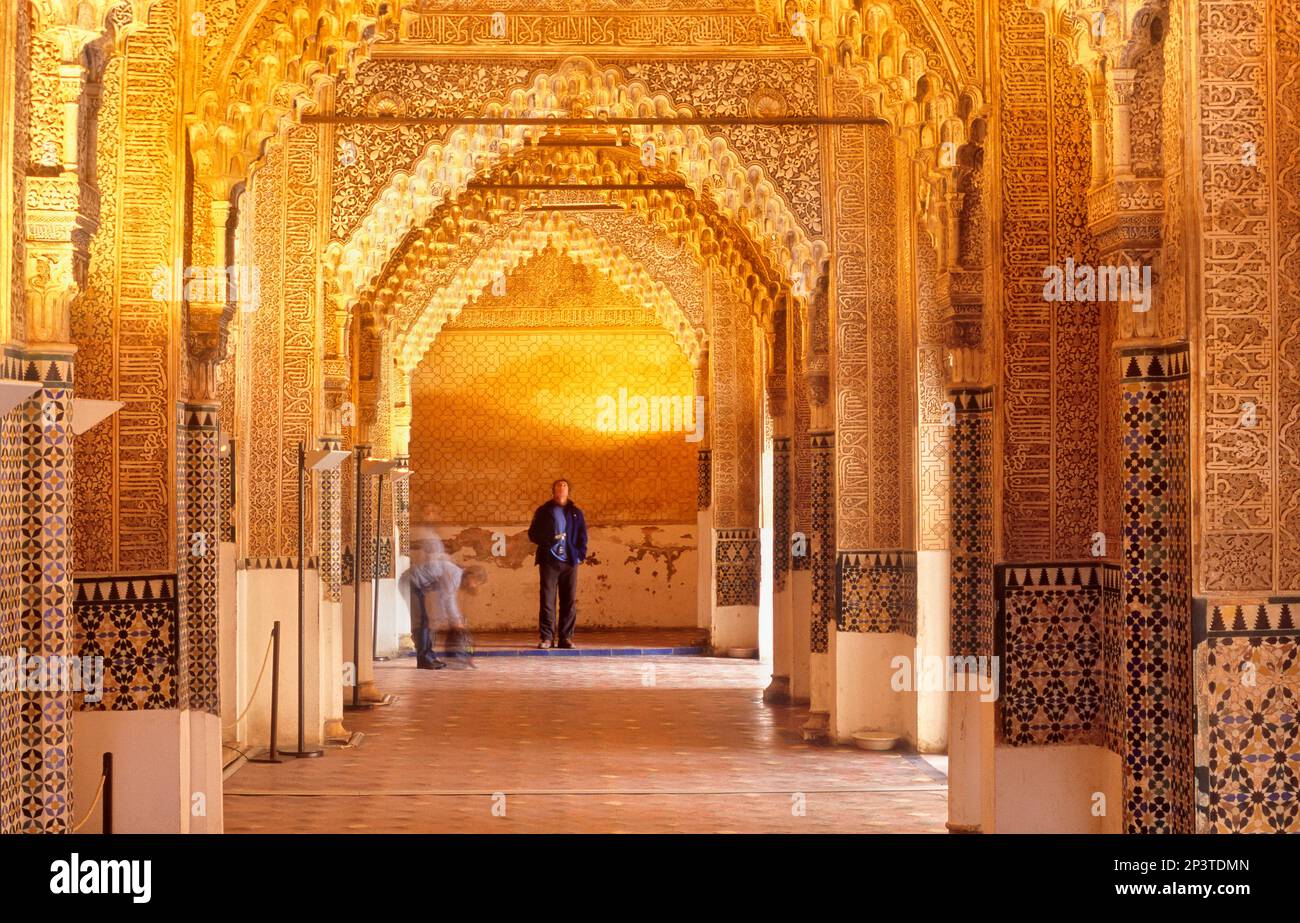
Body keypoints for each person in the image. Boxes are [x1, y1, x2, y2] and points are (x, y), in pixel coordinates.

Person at [527, 478, 588, 649]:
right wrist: (549, 541)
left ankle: (565, 638)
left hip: (570, 562)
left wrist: (579, 555)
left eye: (565, 486)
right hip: (549, 562)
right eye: (558, 486)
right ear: (553, 491)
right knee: (547, 600)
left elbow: (583, 535)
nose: (561, 488)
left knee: (568, 600)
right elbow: (533, 534)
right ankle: (547, 638)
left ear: (569, 491)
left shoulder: (576, 512)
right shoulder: (544, 511)